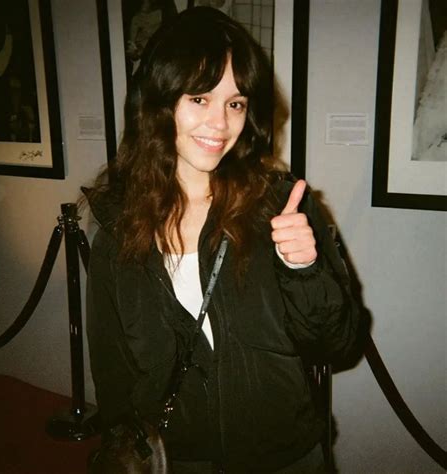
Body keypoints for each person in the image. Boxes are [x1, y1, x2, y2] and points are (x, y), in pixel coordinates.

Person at [85, 6, 362, 473]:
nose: (220, 124)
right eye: (199, 99)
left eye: (235, 103)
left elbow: (342, 344)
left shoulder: (278, 204)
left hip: (283, 456)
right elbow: (113, 369)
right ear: (159, 102)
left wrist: (304, 270)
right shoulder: (118, 222)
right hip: (178, 458)